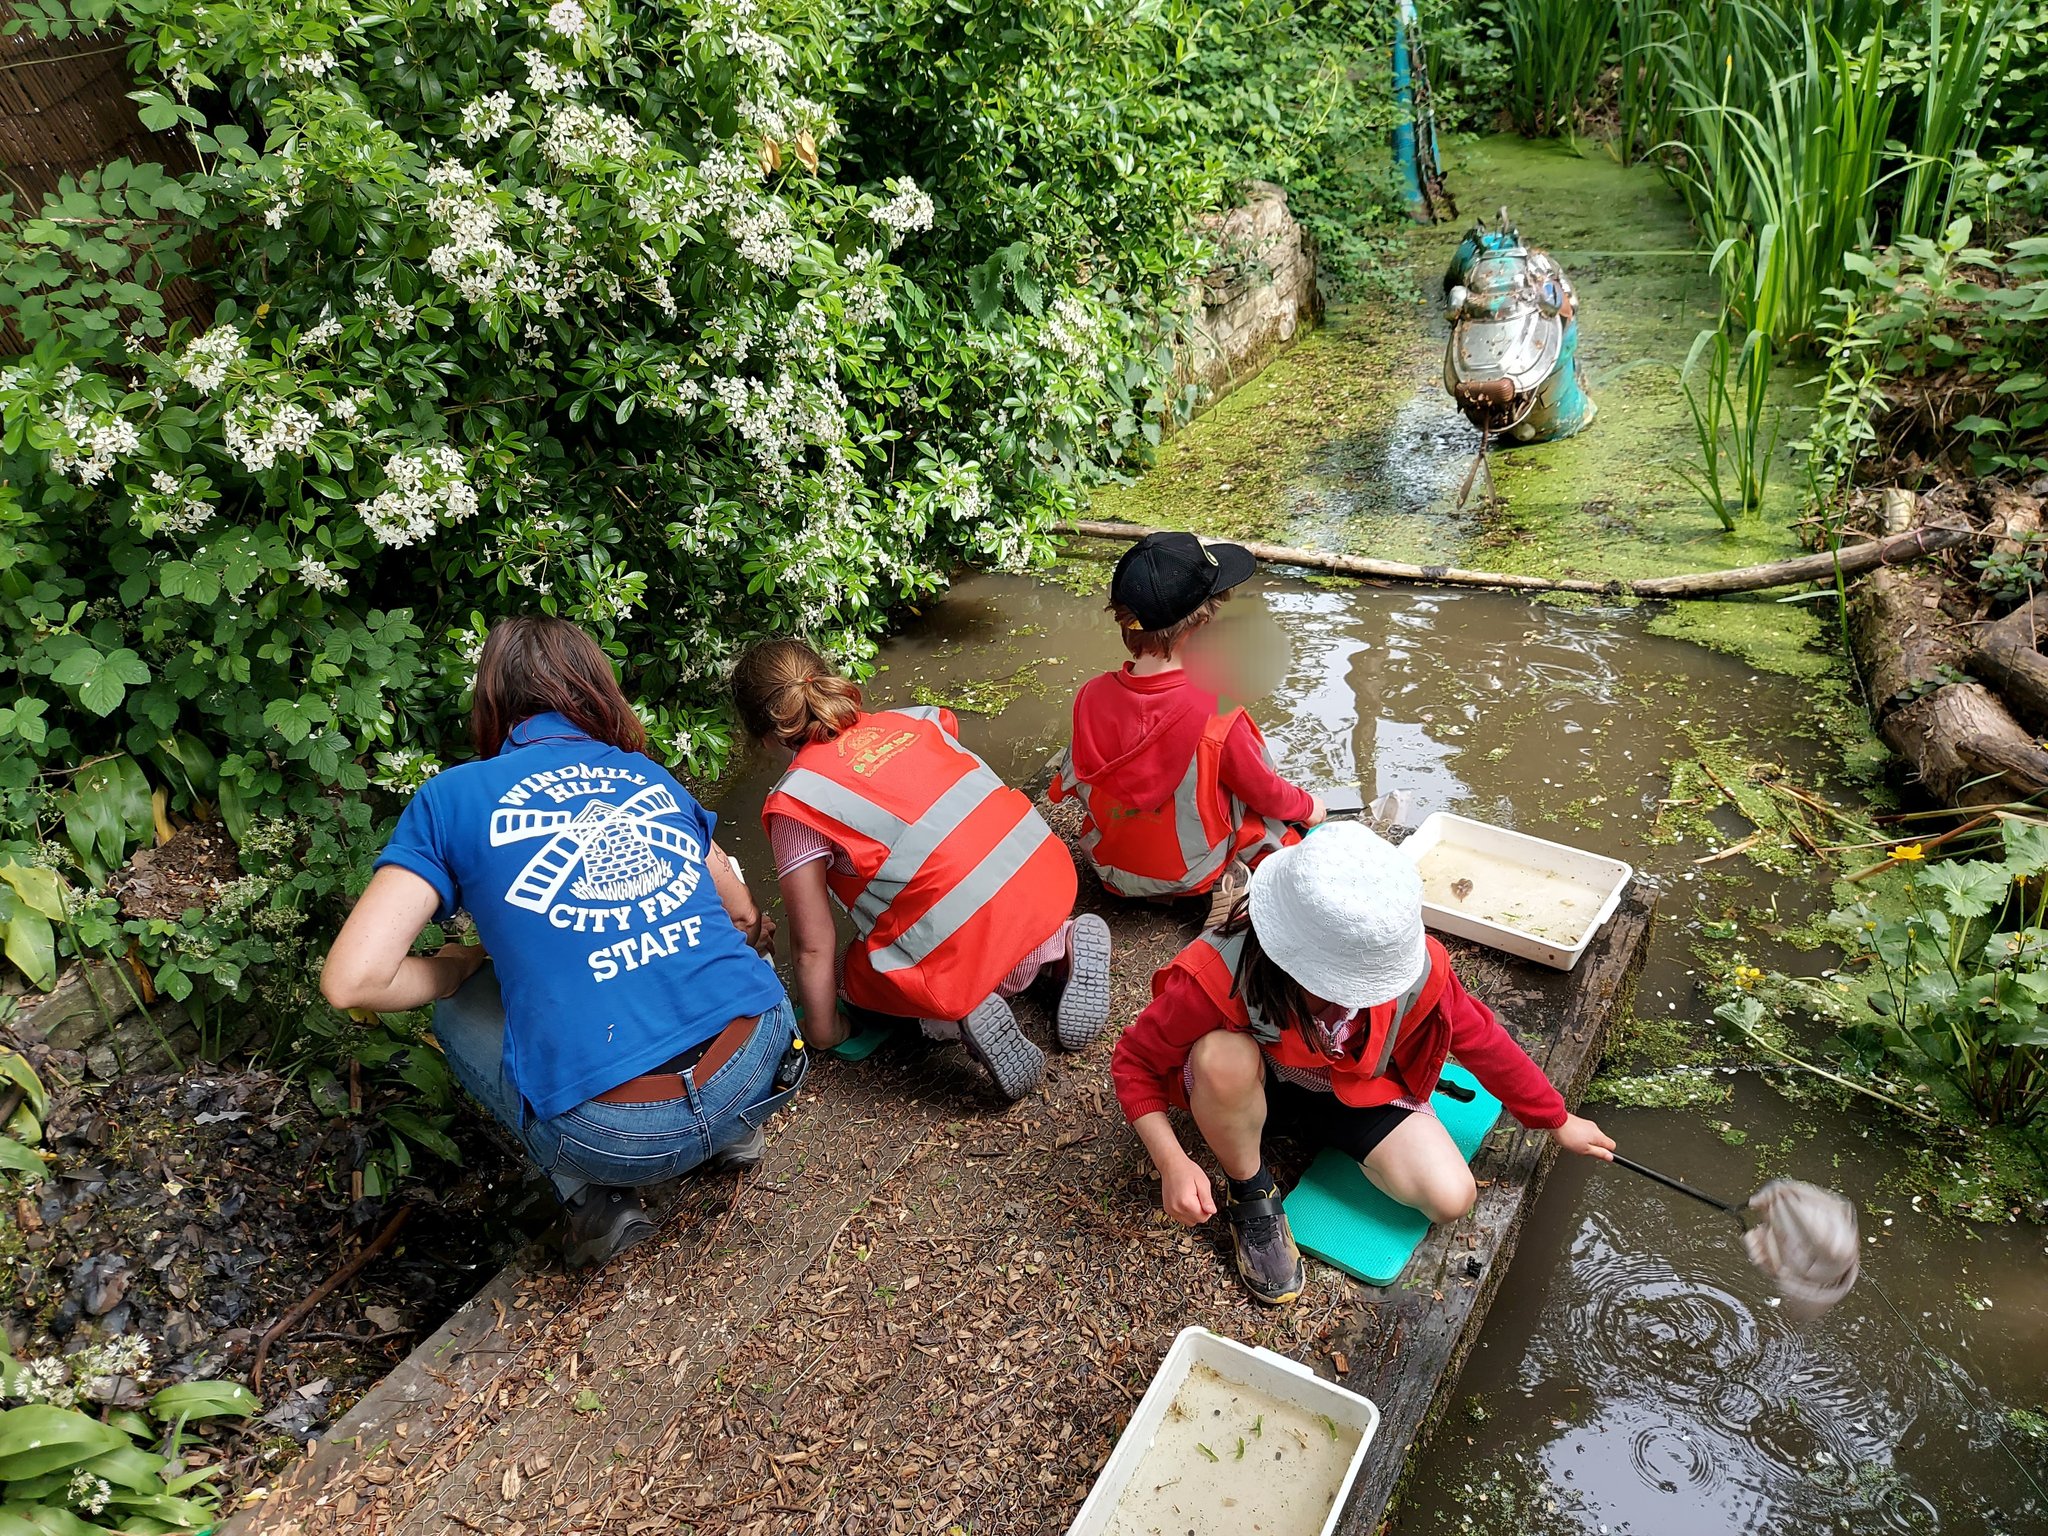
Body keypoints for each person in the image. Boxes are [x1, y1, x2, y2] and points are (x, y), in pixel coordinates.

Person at [322, 617, 801, 1269]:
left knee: (458, 1009)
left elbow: (353, 979)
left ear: (492, 701)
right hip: (763, 1065)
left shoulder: (450, 799)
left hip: (620, 1137)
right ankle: (734, 1134)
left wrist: (455, 969)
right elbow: (740, 911)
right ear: (597, 688)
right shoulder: (644, 774)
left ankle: (595, 1201)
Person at [1110, 821, 1615, 1305]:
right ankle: (1251, 1189)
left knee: (1451, 1197)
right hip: (1252, 1085)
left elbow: (1483, 1040)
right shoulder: (1217, 972)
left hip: (1356, 1091)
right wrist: (1172, 1162)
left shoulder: (1418, 971)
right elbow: (1134, 1064)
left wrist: (1556, 1118)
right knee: (1221, 1056)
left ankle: (1328, 1138)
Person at [733, 639, 1110, 1101]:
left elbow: (812, 946)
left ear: (764, 737)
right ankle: (1059, 944)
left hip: (965, 939)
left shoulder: (797, 803)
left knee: (851, 975)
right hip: (1043, 880)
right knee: (983, 896)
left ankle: (956, 1016)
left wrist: (824, 1030)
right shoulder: (919, 719)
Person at [1052, 530, 1325, 927]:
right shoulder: (1216, 711)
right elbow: (1266, 793)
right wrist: (1309, 806)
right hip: (1191, 874)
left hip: (1110, 868)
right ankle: (1238, 886)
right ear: (1204, 628)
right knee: (1262, 804)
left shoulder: (1090, 696)